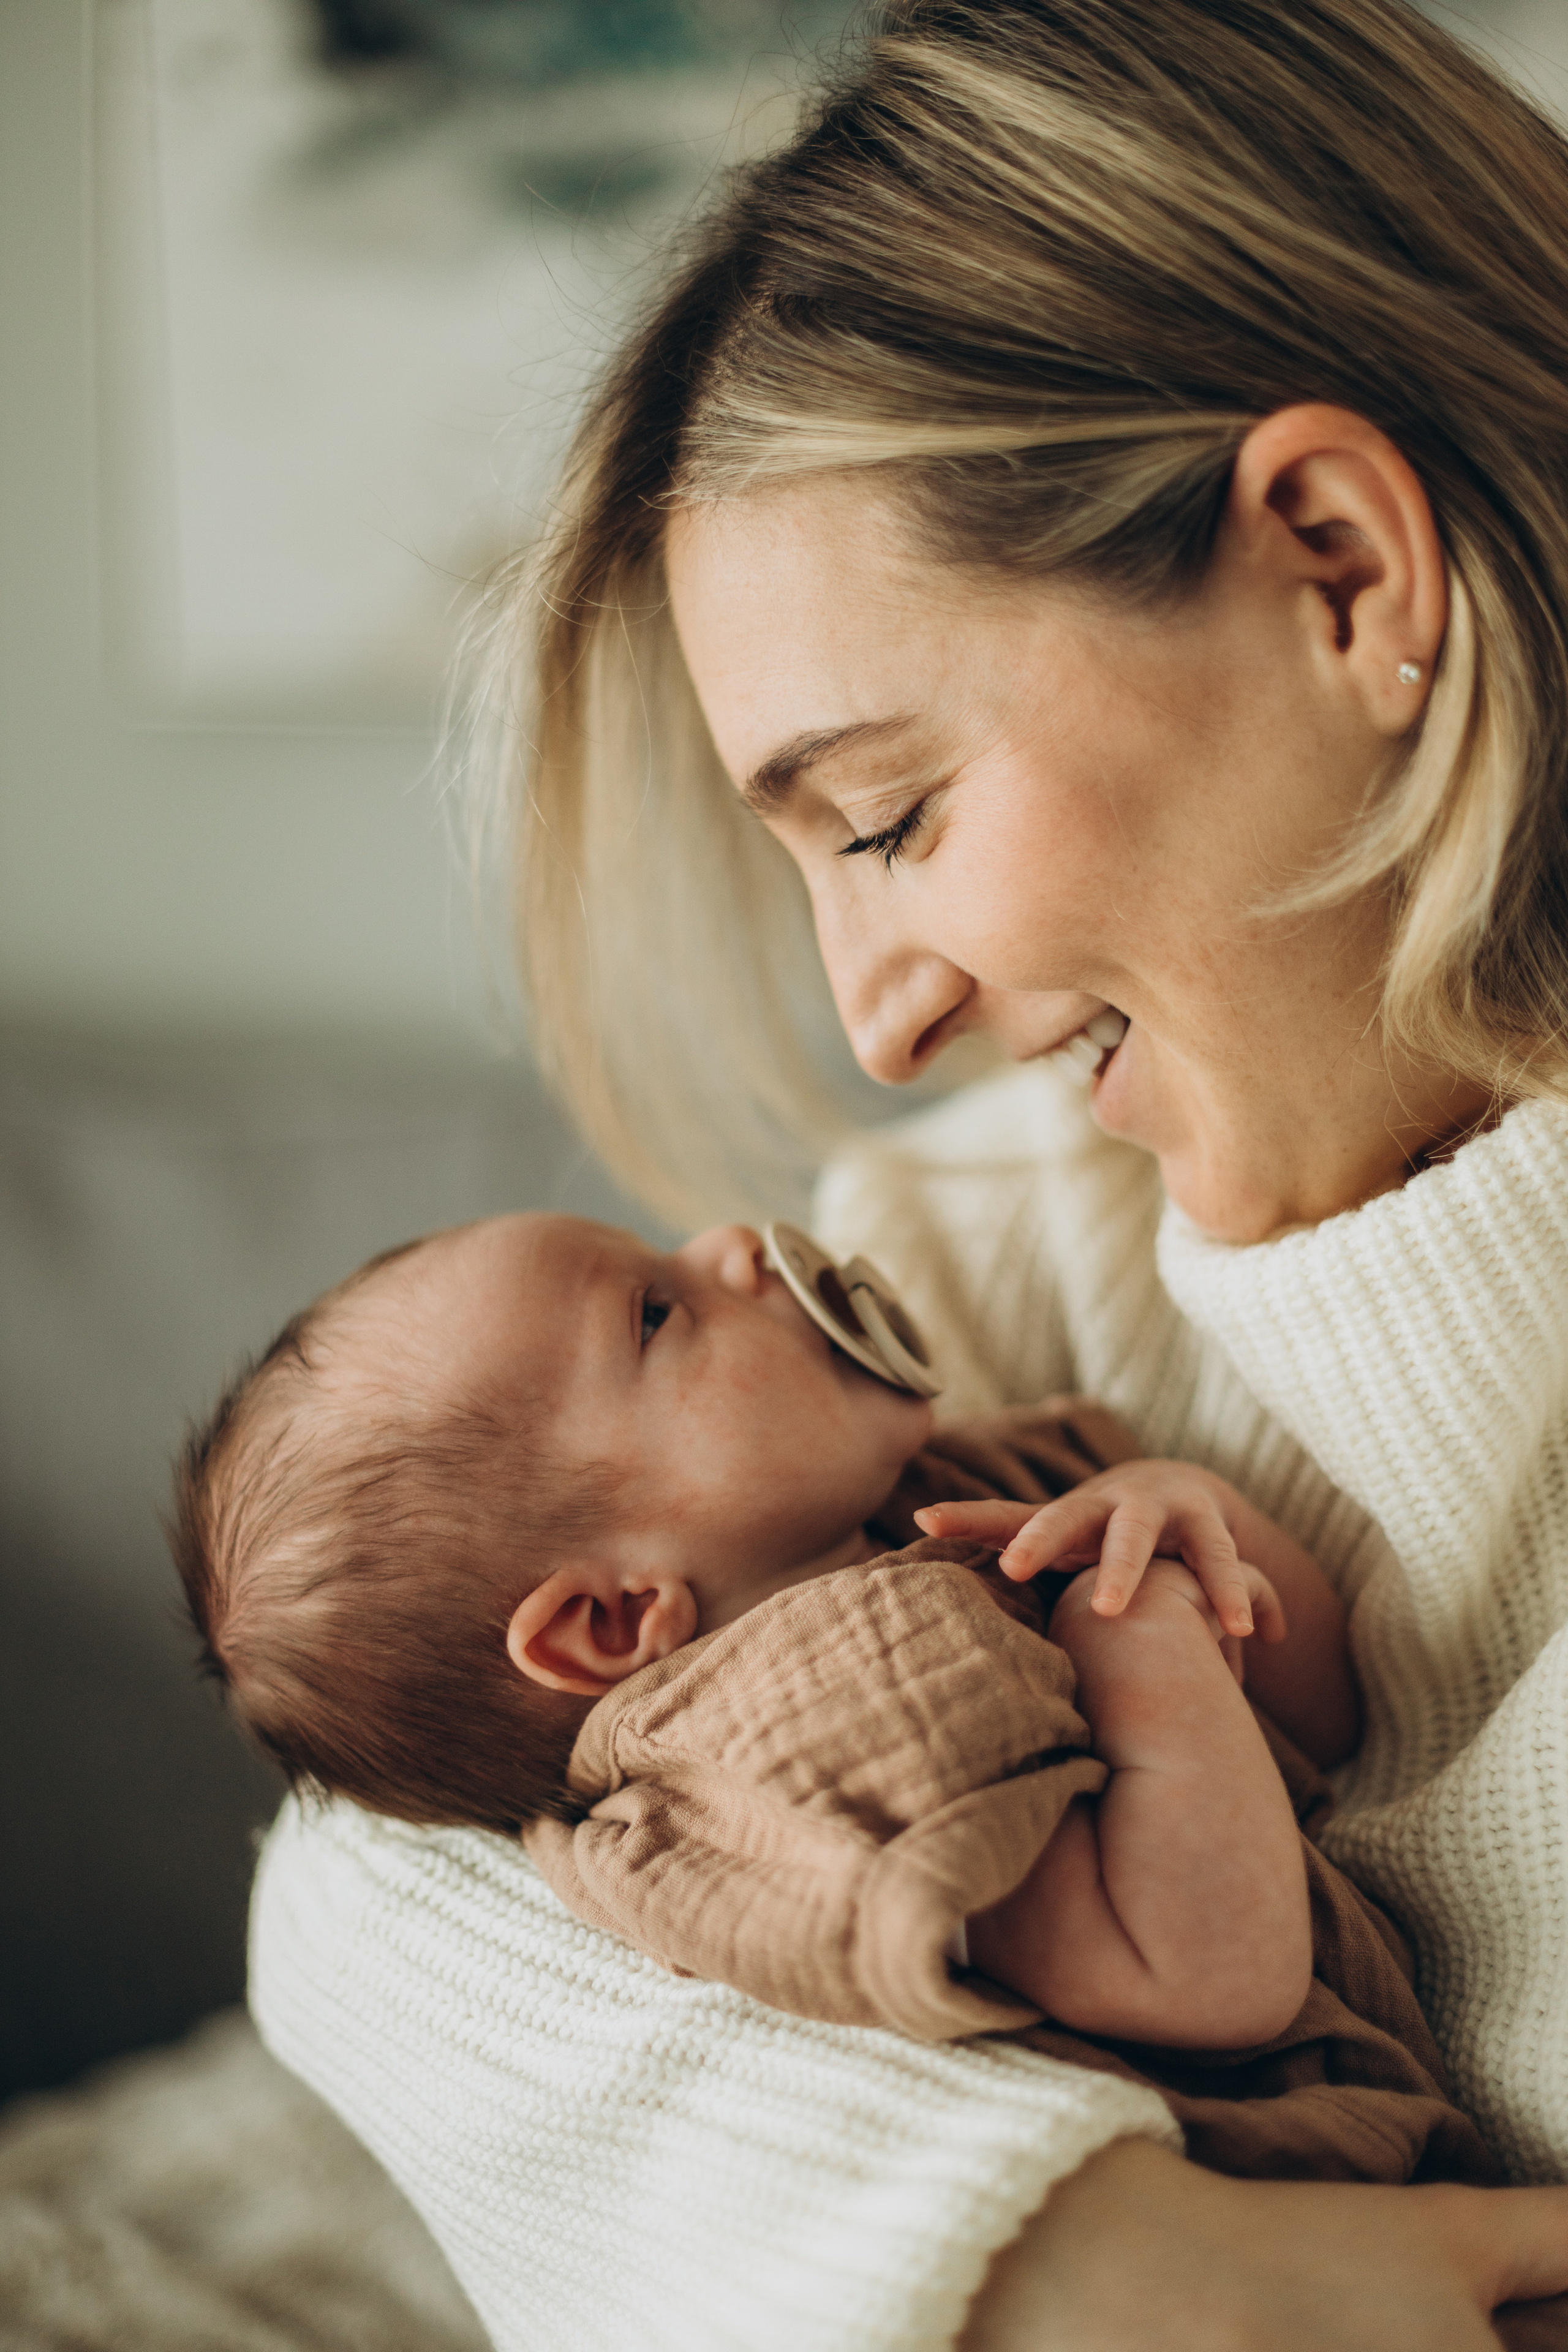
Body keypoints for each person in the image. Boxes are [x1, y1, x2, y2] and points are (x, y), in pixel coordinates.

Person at [248, 1, 1568, 2343]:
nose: (881, 1015)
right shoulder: (997, 1269)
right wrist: (1042, 2263)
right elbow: (371, 1862)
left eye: (887, 819)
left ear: (1346, 574)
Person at [184, 1207, 1494, 2182]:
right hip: (1275, 2214)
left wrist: (1190, 1520)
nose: (735, 1245)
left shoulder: (957, 1489)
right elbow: (1205, 1975)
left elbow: (1322, 1725)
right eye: (653, 1312)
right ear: (614, 1618)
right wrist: (1136, 1612)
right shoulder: (820, 1720)